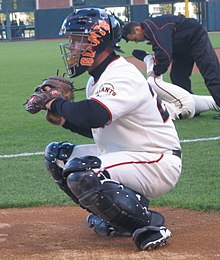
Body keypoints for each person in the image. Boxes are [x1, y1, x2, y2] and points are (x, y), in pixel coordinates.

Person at [41, 8, 182, 251]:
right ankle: (115, 218)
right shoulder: (95, 79)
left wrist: (55, 104)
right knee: (58, 156)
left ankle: (149, 225)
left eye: (78, 39)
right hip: (127, 154)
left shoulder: (120, 75)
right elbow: (98, 128)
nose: (72, 46)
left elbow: (95, 114)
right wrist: (63, 118)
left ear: (98, 41)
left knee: (84, 170)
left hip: (155, 160)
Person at [122, 15, 220, 109]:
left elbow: (164, 53)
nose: (136, 42)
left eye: (134, 39)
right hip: (181, 46)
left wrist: (156, 72)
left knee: (211, 72)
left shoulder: (152, 28)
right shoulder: (150, 29)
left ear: (137, 29)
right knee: (178, 76)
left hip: (196, 37)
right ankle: (192, 106)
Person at [132, 49, 220, 120]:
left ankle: (150, 60)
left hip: (183, 106)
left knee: (152, 83)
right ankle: (149, 60)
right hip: (183, 105)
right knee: (152, 83)